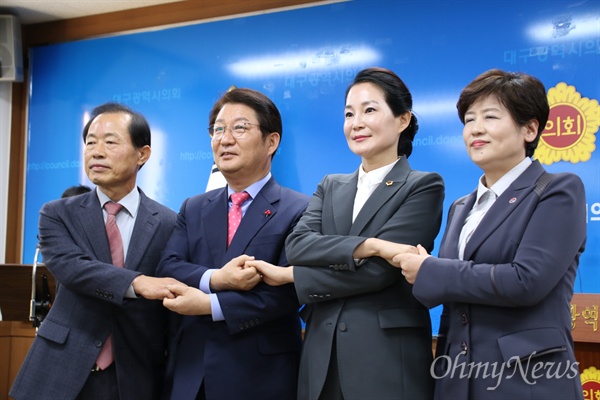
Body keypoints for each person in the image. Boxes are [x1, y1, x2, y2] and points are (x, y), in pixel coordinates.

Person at [249, 67, 445, 400]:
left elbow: (380, 272)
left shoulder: (423, 185)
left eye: (369, 110)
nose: (356, 123)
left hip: (385, 360)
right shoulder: (330, 185)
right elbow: (298, 244)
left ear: (402, 120)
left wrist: (293, 277)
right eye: (349, 113)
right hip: (320, 356)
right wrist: (371, 244)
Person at [394, 69, 586, 399]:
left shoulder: (557, 190)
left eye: (490, 116)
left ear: (530, 128)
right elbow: (453, 301)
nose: (475, 129)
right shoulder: (461, 206)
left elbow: (527, 281)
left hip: (527, 379)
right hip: (459, 378)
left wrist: (430, 270)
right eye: (469, 120)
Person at [10, 102, 181, 400]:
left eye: (110, 142)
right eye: (90, 143)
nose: (96, 152)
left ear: (143, 154)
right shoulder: (57, 213)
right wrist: (137, 283)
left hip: (134, 375)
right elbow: (74, 268)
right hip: (59, 370)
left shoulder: (168, 222)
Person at [157, 88, 310, 400]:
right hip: (191, 375)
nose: (225, 139)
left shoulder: (301, 208)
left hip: (260, 378)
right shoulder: (193, 207)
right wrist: (215, 279)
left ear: (272, 142)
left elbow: (289, 292)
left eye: (240, 128)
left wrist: (209, 305)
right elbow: (168, 266)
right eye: (218, 130)